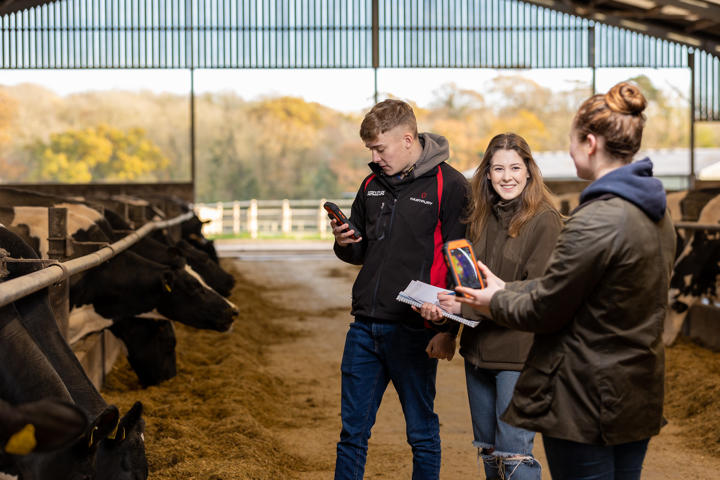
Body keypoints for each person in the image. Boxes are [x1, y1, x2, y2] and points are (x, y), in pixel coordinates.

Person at [453, 82, 676, 479]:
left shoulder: (593, 219)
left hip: (589, 394)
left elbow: (548, 306)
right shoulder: (657, 212)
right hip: (638, 385)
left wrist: (489, 301)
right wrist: (505, 289)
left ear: (589, 143)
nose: (569, 150)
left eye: (571, 141)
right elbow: (578, 290)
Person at [331, 99, 469, 480]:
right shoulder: (372, 184)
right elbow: (361, 252)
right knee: (352, 434)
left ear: (408, 139)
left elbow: (461, 261)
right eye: (370, 150)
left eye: (380, 149)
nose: (374, 158)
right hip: (363, 328)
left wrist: (448, 329)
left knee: (421, 434)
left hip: (414, 328)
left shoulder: (450, 185)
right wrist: (345, 242)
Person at [417, 133, 562, 479]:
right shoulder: (480, 218)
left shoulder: (545, 221)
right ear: (487, 173)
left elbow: (541, 294)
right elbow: (468, 285)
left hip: (521, 357)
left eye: (515, 167)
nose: (507, 176)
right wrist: (446, 322)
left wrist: (462, 308)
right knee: (491, 456)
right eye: (498, 168)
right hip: (478, 354)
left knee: (515, 458)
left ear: (529, 171)